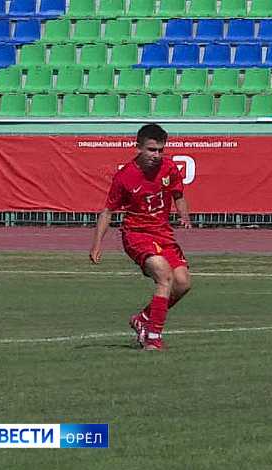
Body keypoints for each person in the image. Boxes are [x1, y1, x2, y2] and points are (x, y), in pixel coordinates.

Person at [89, 124, 192, 351]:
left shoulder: (169, 168)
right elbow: (108, 211)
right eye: (151, 150)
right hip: (136, 234)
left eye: (160, 150)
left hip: (163, 233)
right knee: (164, 277)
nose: (156, 155)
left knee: (183, 284)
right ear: (138, 147)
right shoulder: (125, 176)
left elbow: (178, 194)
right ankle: (152, 338)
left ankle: (143, 319)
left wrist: (184, 214)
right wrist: (96, 244)